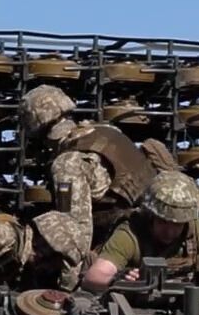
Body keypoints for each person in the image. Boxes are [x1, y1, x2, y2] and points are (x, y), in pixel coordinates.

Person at [20, 85, 169, 272]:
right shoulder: (107, 131)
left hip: (130, 246)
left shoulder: (67, 163)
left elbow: (75, 234)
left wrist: (71, 286)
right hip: (160, 235)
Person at [82, 172, 199, 296]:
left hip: (179, 309)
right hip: (128, 306)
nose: (170, 230)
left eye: (177, 224)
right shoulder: (130, 234)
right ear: (152, 215)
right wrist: (119, 278)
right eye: (163, 222)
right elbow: (94, 277)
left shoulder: (196, 230)